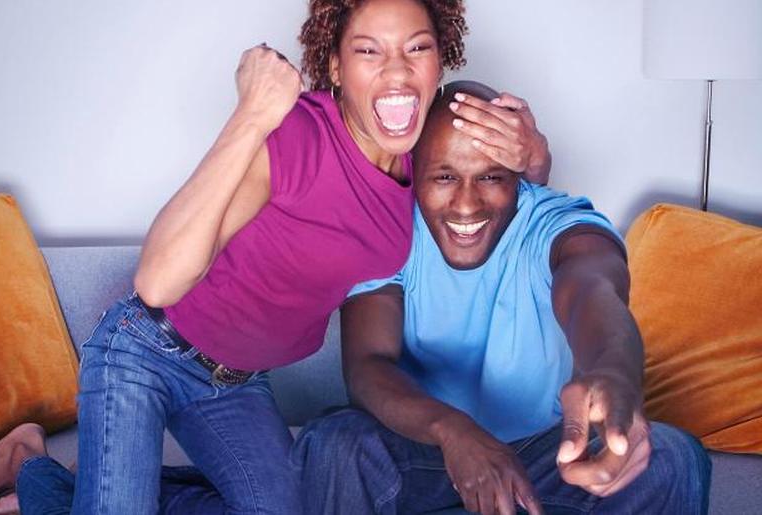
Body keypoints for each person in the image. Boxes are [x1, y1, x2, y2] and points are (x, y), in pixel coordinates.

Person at [0, 2, 553, 514]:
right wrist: (250, 114)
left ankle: (59, 481)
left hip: (236, 386)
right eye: (369, 50)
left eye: (417, 48)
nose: (397, 70)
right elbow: (157, 283)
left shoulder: (426, 156)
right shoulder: (296, 135)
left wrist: (535, 153)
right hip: (146, 353)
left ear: (440, 61)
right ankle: (32, 469)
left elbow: (500, 201)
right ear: (335, 67)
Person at [292, 80, 712, 515]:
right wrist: (452, 431)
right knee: (336, 443)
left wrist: (614, 371)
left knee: (673, 458)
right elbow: (367, 365)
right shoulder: (389, 228)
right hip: (423, 451)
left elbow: (594, 288)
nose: (466, 205)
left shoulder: (551, 222)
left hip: (543, 456)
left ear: (519, 180)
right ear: (415, 174)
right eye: (444, 177)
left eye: (490, 177)